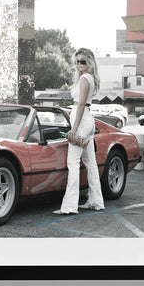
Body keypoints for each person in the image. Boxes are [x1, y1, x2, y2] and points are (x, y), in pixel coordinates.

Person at [54, 48, 105, 215]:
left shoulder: (84, 78)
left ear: (89, 62)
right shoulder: (90, 78)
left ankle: (69, 206)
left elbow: (81, 104)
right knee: (91, 163)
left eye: (83, 61)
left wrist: (74, 129)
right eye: (77, 61)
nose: (79, 64)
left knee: (73, 163)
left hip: (81, 120)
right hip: (87, 119)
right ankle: (96, 201)